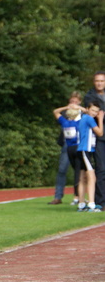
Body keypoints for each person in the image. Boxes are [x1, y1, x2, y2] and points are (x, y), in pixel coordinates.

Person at [48, 92, 84, 206]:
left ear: (80, 102)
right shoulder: (65, 115)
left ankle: (78, 197)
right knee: (62, 169)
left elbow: (92, 112)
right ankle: (58, 196)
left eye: (76, 102)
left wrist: (79, 108)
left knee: (79, 172)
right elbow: (55, 112)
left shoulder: (83, 115)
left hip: (79, 145)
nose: (73, 104)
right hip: (66, 145)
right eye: (71, 102)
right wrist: (67, 107)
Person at [75, 103, 104, 212]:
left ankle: (81, 204)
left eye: (96, 111)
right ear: (87, 109)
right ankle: (91, 204)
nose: (95, 113)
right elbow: (100, 133)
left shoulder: (84, 117)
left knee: (82, 178)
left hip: (81, 150)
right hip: (85, 150)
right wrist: (100, 118)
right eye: (93, 110)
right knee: (92, 176)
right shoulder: (89, 119)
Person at [83, 72, 105, 210]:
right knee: (101, 169)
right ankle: (101, 202)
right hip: (98, 137)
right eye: (97, 81)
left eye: (102, 81)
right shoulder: (89, 96)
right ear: (93, 82)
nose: (99, 83)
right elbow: (96, 112)